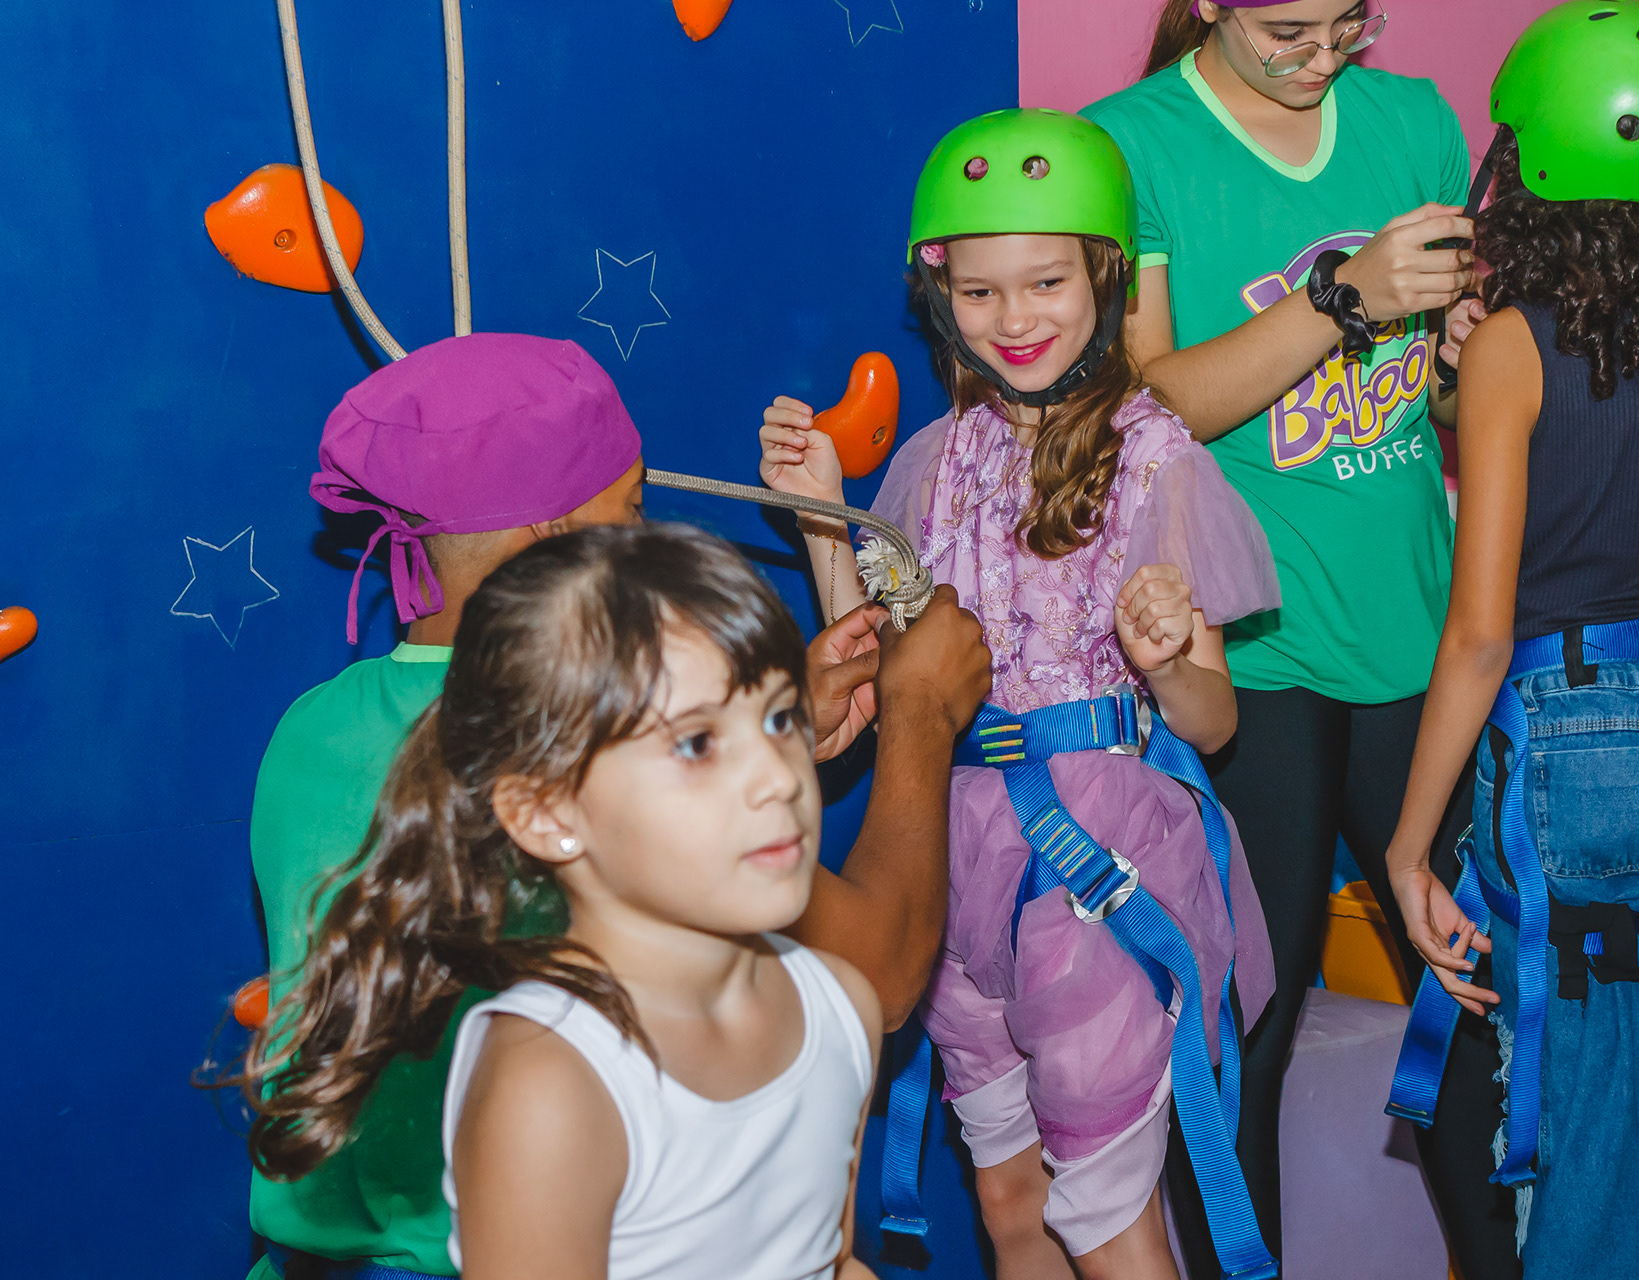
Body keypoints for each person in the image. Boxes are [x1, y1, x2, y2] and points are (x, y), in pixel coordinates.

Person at [246, 333, 991, 1280]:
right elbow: (878, 974)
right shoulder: (575, 751)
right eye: (632, 508)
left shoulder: (312, 732)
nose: (646, 535)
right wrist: (922, 715)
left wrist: (733, 733)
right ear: (555, 549)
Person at [760, 109, 1281, 1280]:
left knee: (1105, 1211)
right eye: (981, 292)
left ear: (1104, 274)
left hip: (1098, 859)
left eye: (1047, 282)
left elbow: (1215, 722)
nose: (1016, 317)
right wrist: (825, 519)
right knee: (1008, 1197)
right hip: (956, 852)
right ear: (941, 294)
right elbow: (889, 664)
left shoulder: (1156, 457)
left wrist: (1169, 659)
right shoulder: (941, 456)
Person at [1076, 5, 1505, 1268]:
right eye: (1288, 30)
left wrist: (1459, 353)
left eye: (1348, 23)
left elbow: (1432, 394)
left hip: (1413, 630)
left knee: (1475, 1004)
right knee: (1242, 1033)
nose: (1323, 56)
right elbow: (1145, 399)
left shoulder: (1413, 119)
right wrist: (1344, 295)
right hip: (1242, 651)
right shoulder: (1130, 143)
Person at [1379, 6, 1639, 1275]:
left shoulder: (1515, 344)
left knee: (1577, 1112)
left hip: (1571, 735)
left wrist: (1408, 844)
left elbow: (1480, 631)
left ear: (1534, 169)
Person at [246, 522, 883, 1279]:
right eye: (696, 744)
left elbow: (831, 1262)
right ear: (546, 812)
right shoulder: (552, 1083)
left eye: (780, 719)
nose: (778, 776)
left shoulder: (840, 1006)